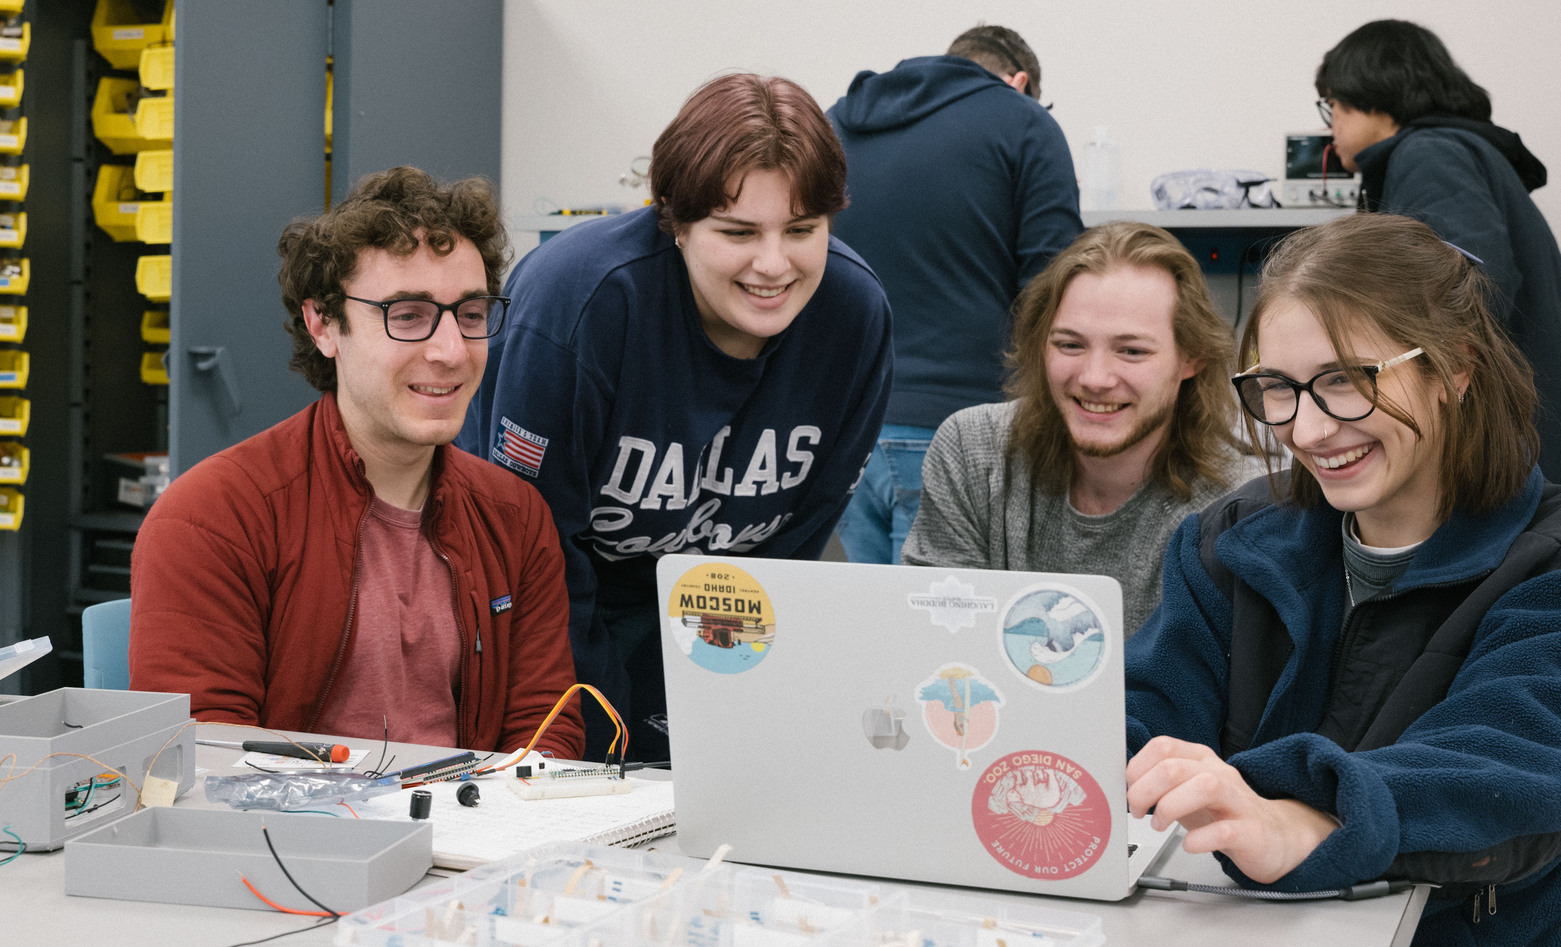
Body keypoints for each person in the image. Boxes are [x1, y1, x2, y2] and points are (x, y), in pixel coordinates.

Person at [1125, 214, 1561, 946]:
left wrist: (1297, 819)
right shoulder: (1230, 540)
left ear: (1455, 366)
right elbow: (1145, 715)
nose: (1309, 431)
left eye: (1345, 382)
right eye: (1277, 388)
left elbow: (1504, 774)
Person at [459, 74, 892, 762]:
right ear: (676, 221)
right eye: (738, 231)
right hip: (560, 607)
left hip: (711, 611)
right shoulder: (576, 302)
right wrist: (602, 745)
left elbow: (788, 554)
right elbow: (534, 554)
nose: (774, 264)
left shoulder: (853, 315)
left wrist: (715, 711)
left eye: (802, 230)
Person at [130, 167, 584, 759]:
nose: (450, 352)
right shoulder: (213, 516)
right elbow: (208, 754)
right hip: (290, 842)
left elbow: (545, 729)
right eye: (408, 315)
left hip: (473, 839)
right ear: (324, 325)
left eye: (470, 315)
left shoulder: (515, 517)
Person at [901, 222, 1255, 635]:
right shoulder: (974, 452)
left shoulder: (1237, 510)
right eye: (1070, 344)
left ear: (1191, 359)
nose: (1095, 378)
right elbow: (933, 642)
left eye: (1131, 351)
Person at [828, 24, 1082, 564]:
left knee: (866, 630)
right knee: (931, 637)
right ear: (1019, 81)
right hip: (958, 432)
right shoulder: (1025, 122)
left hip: (842, 430)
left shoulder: (833, 124)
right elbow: (1053, 288)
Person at [1315, 19, 1561, 497]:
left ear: (1375, 94)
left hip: (1494, 458)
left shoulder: (1429, 155)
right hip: (1522, 450)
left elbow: (1466, 290)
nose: (1331, 125)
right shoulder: (1457, 153)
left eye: (1333, 105)